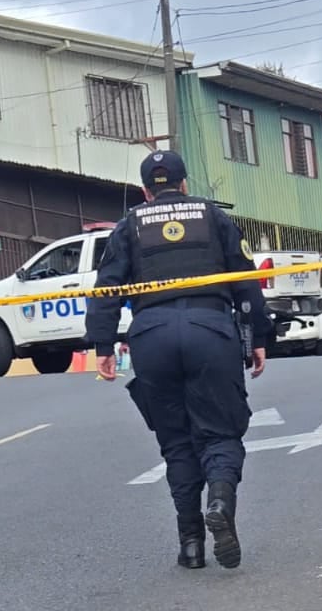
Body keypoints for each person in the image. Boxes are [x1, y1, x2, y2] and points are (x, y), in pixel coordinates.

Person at [86, 150, 271, 571]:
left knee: (176, 442)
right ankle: (220, 501)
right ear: (185, 185)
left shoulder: (129, 225)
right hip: (211, 330)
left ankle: (190, 544)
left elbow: (106, 289)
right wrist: (258, 337)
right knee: (221, 433)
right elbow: (244, 281)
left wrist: (102, 347)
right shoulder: (214, 217)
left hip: (151, 336)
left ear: (147, 191)